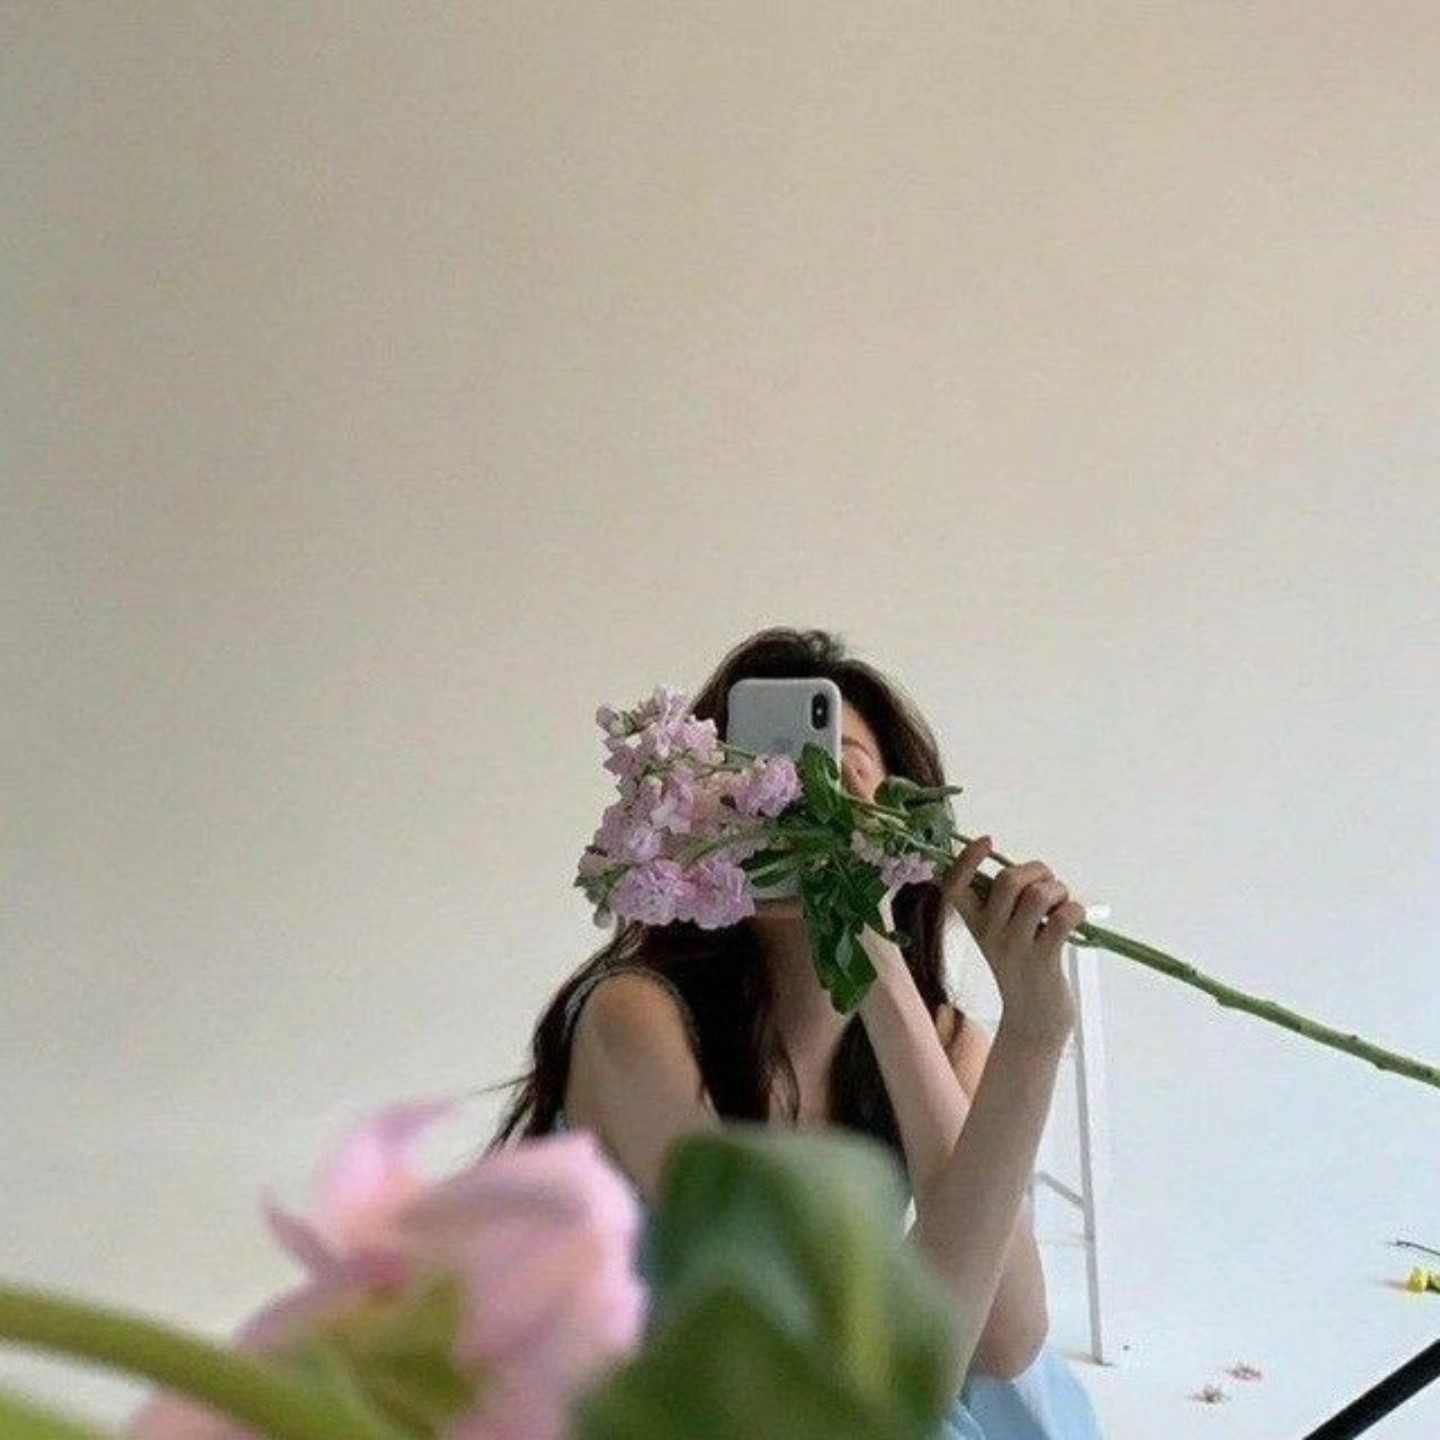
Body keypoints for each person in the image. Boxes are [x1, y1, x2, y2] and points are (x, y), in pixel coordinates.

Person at [487, 626, 1106, 1438]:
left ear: (906, 830)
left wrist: (1028, 1034)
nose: (793, 805)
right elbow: (820, 1363)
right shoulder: (634, 1018)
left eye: (836, 776)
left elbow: (1002, 1346)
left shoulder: (946, 1042)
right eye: (757, 777)